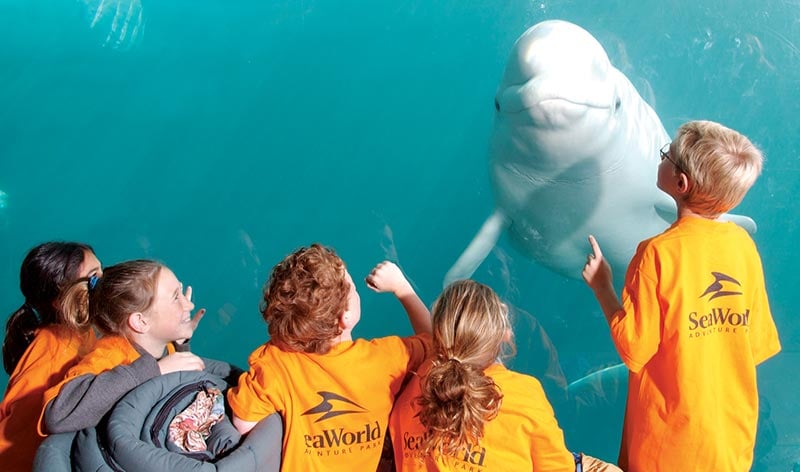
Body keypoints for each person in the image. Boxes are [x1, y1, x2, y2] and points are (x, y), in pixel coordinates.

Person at [582, 120, 781, 471]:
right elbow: (756, 345)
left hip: (668, 445)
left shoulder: (656, 254)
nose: (661, 159)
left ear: (681, 183)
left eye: (666, 155)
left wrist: (602, 287)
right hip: (730, 439)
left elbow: (633, 350)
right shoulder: (743, 246)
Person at [227, 244, 432, 471]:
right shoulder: (387, 359)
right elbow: (437, 344)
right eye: (352, 288)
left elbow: (243, 422)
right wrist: (402, 289)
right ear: (346, 316)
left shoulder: (274, 362)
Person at [389, 279, 619, 472]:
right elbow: (557, 468)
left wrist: (402, 289)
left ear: (437, 335)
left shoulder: (415, 378)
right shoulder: (523, 394)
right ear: (506, 335)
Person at [39, 259, 213, 435]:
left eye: (182, 292)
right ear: (140, 321)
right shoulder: (109, 356)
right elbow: (57, 415)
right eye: (176, 297)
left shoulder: (166, 346)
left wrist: (181, 342)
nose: (189, 305)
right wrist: (155, 370)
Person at [0, 242, 102, 472]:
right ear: (60, 299)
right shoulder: (54, 347)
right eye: (94, 279)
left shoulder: (82, 333)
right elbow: (20, 439)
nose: (107, 285)